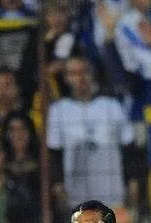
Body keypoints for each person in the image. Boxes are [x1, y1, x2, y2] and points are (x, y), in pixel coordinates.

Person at [47, 57, 137, 212]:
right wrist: (57, 185)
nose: (80, 78)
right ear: (66, 78)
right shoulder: (58, 110)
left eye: (84, 72)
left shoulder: (112, 106)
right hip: (76, 194)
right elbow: (54, 152)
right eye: (74, 73)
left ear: (92, 74)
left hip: (112, 192)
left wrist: (132, 181)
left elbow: (129, 147)